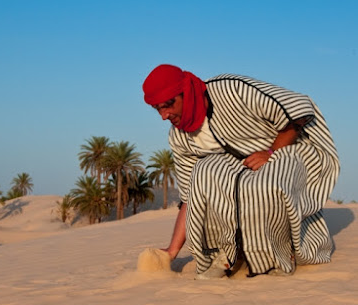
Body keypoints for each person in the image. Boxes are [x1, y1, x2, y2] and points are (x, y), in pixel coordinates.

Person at [142, 64, 340, 278]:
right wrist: (172, 251)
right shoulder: (179, 138)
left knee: (263, 183)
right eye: (158, 109)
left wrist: (272, 152)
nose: (164, 115)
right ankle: (227, 254)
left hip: (293, 151)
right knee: (205, 171)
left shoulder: (231, 90)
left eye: (169, 105)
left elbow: (299, 109)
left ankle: (279, 254)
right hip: (244, 169)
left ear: (187, 92)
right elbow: (190, 196)